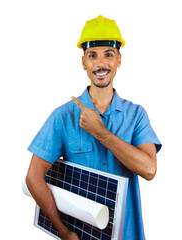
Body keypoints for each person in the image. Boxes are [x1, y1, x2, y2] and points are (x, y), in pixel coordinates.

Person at [25, 15, 162, 240]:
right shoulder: (63, 116)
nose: (100, 64)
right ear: (83, 63)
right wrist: (64, 232)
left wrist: (100, 132)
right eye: (92, 55)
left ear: (119, 59)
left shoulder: (136, 115)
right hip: (81, 234)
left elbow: (149, 170)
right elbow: (33, 177)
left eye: (108, 54)